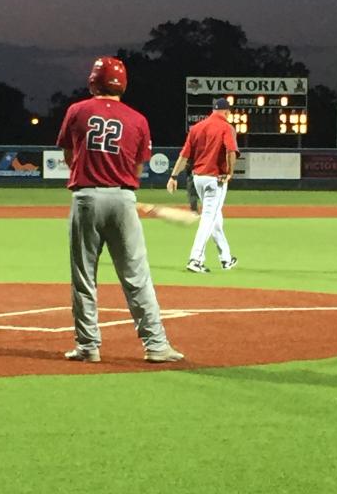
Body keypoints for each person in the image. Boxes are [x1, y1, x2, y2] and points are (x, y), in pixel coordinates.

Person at [56, 56, 184, 364]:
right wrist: (121, 190)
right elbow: (137, 166)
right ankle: (156, 346)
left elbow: (68, 154)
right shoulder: (138, 119)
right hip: (124, 198)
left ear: (93, 81)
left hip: (86, 198)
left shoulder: (77, 110)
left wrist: (92, 177)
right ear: (123, 84)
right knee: (136, 275)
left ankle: (88, 346)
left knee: (84, 277)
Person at [166, 98, 238, 272]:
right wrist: (229, 172)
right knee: (208, 218)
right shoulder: (226, 127)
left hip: (198, 178)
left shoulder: (197, 128)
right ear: (226, 112)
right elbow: (231, 151)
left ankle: (226, 258)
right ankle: (195, 259)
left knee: (215, 218)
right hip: (215, 180)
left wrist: (173, 176)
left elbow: (184, 155)